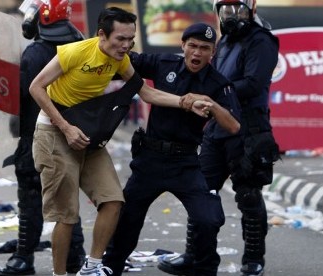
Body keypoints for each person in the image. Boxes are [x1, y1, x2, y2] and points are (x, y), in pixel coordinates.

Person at [29, 7, 214, 276]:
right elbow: (36, 86)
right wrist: (66, 127)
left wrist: (186, 102)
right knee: (67, 216)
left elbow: (147, 93)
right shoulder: (75, 51)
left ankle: (91, 267)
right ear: (102, 35)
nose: (126, 46)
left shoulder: (121, 60)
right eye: (120, 39)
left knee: (113, 200)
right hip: (54, 131)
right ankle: (59, 274)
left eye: (131, 39)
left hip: (88, 134)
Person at [101, 22, 241, 276]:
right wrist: (107, 41)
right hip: (149, 160)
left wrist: (212, 104)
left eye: (205, 48)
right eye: (193, 46)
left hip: (185, 163)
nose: (197, 53)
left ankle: (205, 269)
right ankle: (112, 267)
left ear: (213, 52)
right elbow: (124, 58)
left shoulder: (218, 83)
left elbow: (233, 126)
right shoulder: (163, 63)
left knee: (207, 219)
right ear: (183, 46)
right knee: (126, 219)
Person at [158, 1, 280, 276]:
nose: (231, 16)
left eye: (237, 9)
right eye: (225, 10)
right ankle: (195, 256)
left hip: (249, 129)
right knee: (200, 193)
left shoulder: (262, 41)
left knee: (248, 195)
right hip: (216, 127)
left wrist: (211, 94)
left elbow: (253, 83)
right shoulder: (223, 43)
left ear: (252, 10)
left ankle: (253, 259)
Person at [0, 0, 87, 275]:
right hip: (70, 134)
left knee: (31, 200)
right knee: (67, 200)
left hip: (37, 136)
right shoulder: (78, 48)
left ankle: (24, 257)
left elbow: (20, 96)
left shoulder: (35, 53)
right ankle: (75, 256)